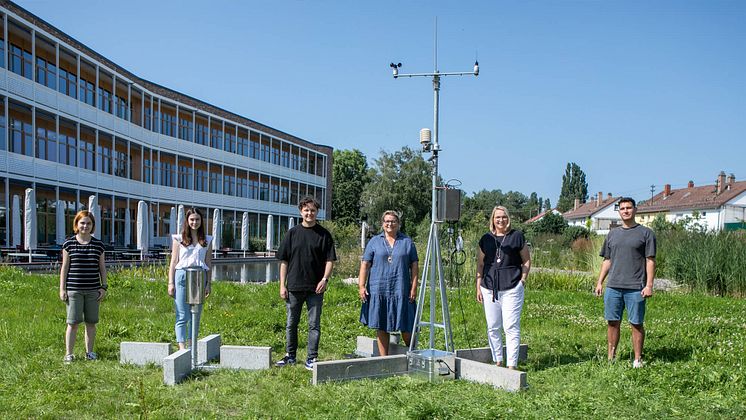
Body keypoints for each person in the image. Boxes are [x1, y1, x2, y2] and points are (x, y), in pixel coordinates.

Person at [276, 196, 336, 370]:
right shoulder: (292, 233)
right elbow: (284, 261)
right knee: (291, 323)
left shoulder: (324, 235)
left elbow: (330, 260)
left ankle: (312, 358)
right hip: (294, 286)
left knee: (314, 325)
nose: (309, 213)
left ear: (317, 212)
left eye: (313, 210)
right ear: (301, 211)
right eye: (306, 210)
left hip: (315, 288)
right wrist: (282, 284)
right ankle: (291, 356)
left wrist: (325, 279)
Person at [595, 197, 656, 368]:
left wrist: (649, 285)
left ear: (635, 210)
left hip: (635, 288)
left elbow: (650, 261)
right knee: (612, 322)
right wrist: (600, 282)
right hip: (613, 287)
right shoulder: (613, 234)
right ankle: (611, 358)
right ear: (619, 211)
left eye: (629, 208)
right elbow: (607, 260)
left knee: (636, 323)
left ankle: (637, 359)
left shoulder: (646, 234)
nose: (626, 211)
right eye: (622, 208)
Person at [476, 206, 530, 369]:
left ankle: (511, 365)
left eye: (504, 217)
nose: (501, 220)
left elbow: (526, 261)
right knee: (493, 326)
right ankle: (497, 360)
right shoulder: (486, 239)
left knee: (510, 326)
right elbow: (480, 264)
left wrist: (523, 279)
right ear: (493, 219)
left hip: (512, 287)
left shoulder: (517, 236)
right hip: (489, 288)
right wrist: (478, 287)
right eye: (497, 217)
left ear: (508, 218)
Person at [358, 211, 419, 356]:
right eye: (387, 221)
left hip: (401, 289)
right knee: (381, 325)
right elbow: (365, 264)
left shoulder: (407, 242)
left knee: (406, 325)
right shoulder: (374, 241)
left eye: (393, 221)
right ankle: (384, 360)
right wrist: (361, 286)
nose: (389, 224)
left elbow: (414, 265)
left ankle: (413, 354)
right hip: (379, 289)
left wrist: (414, 286)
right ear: (382, 223)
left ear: (398, 224)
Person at [59, 210, 108, 363]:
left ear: (92, 225)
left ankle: (90, 352)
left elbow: (102, 267)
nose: (85, 226)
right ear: (77, 224)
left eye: (88, 223)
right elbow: (64, 268)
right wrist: (62, 289)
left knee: (91, 323)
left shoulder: (98, 245)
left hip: (93, 290)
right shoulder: (69, 244)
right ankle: (69, 354)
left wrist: (103, 287)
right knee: (72, 323)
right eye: (82, 223)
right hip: (74, 290)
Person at [168, 208, 213, 351]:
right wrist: (170, 282)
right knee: (182, 314)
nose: (194, 222)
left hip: (199, 275)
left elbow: (208, 262)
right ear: (187, 221)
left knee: (196, 314)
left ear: (201, 221)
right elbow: (174, 262)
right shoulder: (179, 239)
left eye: (197, 219)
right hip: (181, 275)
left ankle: (192, 345)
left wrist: (208, 283)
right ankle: (182, 347)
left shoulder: (207, 240)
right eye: (192, 219)